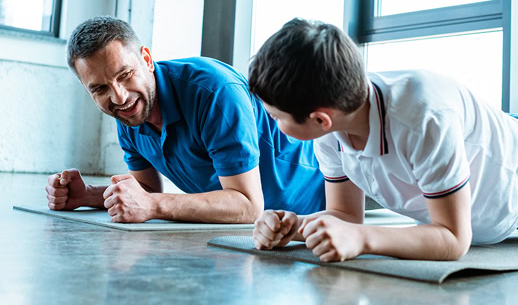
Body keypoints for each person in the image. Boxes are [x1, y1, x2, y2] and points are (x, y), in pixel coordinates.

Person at [248, 18, 518, 262]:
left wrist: (364, 239)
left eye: (275, 117)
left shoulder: (421, 120)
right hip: (479, 145)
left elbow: (453, 238)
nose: (274, 123)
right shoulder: (331, 134)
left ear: (319, 117)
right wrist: (297, 226)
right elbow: (346, 218)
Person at [44, 16, 325, 223]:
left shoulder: (215, 92)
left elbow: (249, 206)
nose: (118, 97)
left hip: (323, 200)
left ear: (147, 59)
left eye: (124, 75)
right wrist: (89, 196)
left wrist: (153, 206)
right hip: (265, 231)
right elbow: (147, 190)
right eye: (100, 88)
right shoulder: (129, 112)